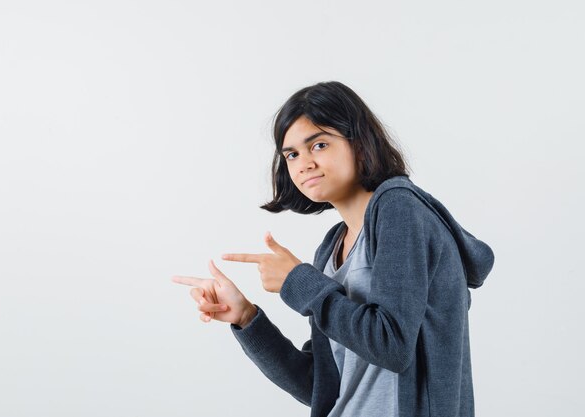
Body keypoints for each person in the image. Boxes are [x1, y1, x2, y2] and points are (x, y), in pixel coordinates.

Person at [172, 81, 495, 417]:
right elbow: (319, 385)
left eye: (320, 145)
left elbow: (392, 344)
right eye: (292, 154)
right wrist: (246, 317)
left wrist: (298, 281)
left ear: (359, 142)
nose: (303, 163)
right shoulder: (331, 247)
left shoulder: (399, 209)